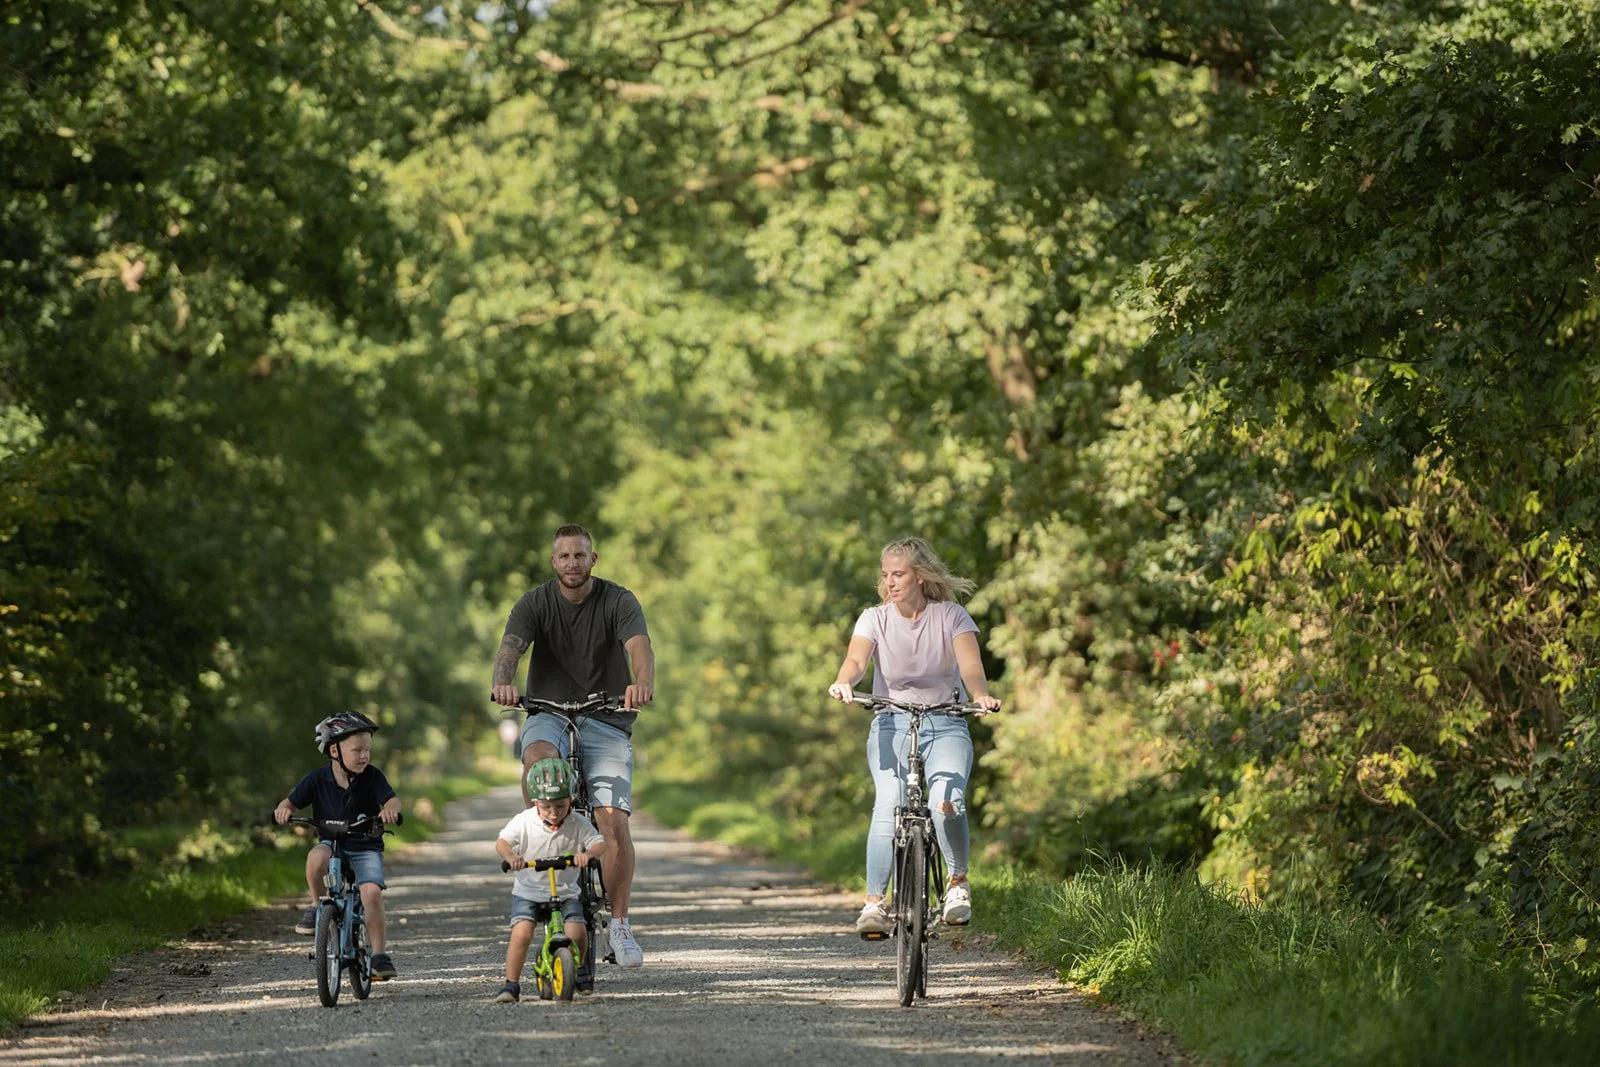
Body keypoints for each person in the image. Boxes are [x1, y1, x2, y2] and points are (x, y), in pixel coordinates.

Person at [490, 523, 654, 968]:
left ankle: (619, 925)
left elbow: (639, 646)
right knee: (538, 761)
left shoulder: (618, 600)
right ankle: (541, 847)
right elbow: (511, 648)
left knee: (612, 820)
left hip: (607, 715)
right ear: (553, 562)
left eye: (580, 556)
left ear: (593, 559)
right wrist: (502, 682)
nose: (572, 564)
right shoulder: (535, 602)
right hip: (548, 711)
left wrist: (641, 683)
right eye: (564, 556)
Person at [826, 537, 1002, 937]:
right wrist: (843, 682)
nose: (890, 582)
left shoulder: (951, 616)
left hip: (946, 723)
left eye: (899, 573)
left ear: (920, 576)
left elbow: (971, 666)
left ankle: (957, 886)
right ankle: (875, 903)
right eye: (885, 574)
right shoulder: (874, 618)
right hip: (892, 723)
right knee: (889, 803)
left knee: (946, 803)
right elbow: (856, 660)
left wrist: (980, 696)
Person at [274, 710, 403, 979]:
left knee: (371, 894)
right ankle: (316, 905)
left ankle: (379, 955)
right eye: (357, 750)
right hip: (331, 842)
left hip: (366, 844)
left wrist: (390, 810)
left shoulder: (372, 777)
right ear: (334, 751)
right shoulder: (317, 780)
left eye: (367, 749)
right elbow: (291, 802)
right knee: (315, 858)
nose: (365, 756)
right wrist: (283, 810)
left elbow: (391, 800)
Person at [492, 757, 609, 1002]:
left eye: (561, 805)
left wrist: (587, 855)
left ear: (571, 801)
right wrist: (511, 856)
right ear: (535, 802)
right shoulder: (524, 821)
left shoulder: (577, 822)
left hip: (565, 891)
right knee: (521, 934)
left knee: (577, 931)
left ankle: (579, 969)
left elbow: (599, 842)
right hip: (529, 891)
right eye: (546, 807)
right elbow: (502, 842)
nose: (554, 813)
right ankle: (510, 984)